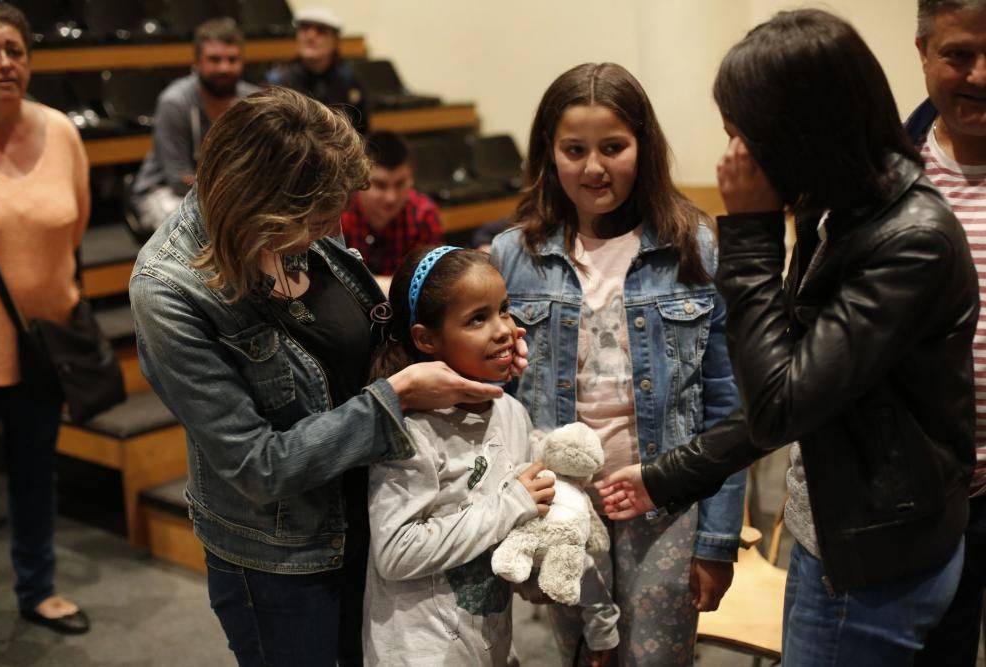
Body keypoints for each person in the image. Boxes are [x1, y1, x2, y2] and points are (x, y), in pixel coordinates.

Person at [597, 10, 978, 667]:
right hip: (841, 533)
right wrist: (671, 474)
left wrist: (750, 234)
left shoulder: (908, 238)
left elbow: (780, 401)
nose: (734, 158)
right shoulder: (843, 208)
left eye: (744, 138)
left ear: (800, 130)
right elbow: (798, 385)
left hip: (870, 562)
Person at [129, 89, 525, 667]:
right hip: (285, 559)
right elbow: (257, 466)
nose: (324, 233)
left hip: (369, 515)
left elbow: (358, 341)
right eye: (314, 221)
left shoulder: (299, 220)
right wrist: (397, 396)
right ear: (260, 206)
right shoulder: (168, 291)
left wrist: (481, 343)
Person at [490, 62, 745, 666]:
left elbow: (729, 404)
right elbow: (495, 399)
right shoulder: (513, 255)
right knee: (583, 656)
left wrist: (718, 540)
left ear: (644, 147)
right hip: (563, 507)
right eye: (574, 149)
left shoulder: (694, 248)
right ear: (549, 154)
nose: (594, 167)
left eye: (613, 147)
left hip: (667, 506)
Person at [364, 245, 619, 666]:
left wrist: (593, 613)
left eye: (504, 309)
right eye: (477, 319)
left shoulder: (511, 414)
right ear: (427, 338)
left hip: (489, 646)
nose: (503, 329)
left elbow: (534, 525)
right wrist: (512, 505)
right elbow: (396, 552)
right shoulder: (411, 428)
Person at [0, 2, 90, 635]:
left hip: (42, 344)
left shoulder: (63, 133)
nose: (3, 64)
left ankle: (37, 587)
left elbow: (72, 226)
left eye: (14, 51)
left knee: (34, 474)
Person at [907, 3, 986, 664]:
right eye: (960, 54)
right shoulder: (881, 176)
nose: (981, 76)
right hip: (918, 495)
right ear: (924, 52)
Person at [129, 17, 258, 237]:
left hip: (227, 194)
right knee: (196, 233)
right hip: (164, 191)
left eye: (232, 59)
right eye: (214, 59)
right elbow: (179, 181)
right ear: (197, 63)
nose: (224, 68)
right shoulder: (175, 102)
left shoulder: (253, 102)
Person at [341, 130, 442, 293]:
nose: (391, 198)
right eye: (380, 185)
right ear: (359, 178)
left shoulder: (424, 215)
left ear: (412, 176)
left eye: (400, 183)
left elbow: (429, 285)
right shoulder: (339, 214)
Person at [266, 7, 368, 134]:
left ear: (335, 40)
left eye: (321, 31)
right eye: (304, 29)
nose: (310, 36)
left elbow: (361, 130)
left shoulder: (347, 80)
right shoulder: (279, 79)